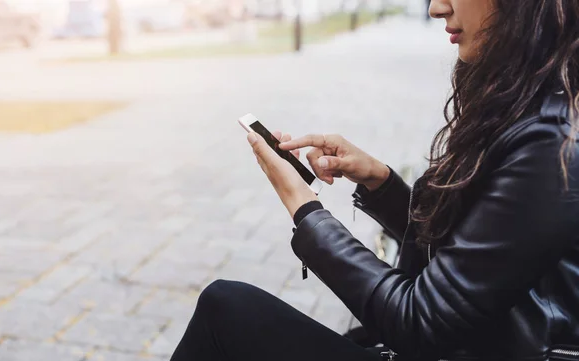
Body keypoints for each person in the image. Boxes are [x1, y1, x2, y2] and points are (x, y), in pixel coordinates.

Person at [171, 0, 579, 360]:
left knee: (225, 308)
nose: (437, 7)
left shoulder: (553, 141)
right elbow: (473, 259)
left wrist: (306, 211)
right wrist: (379, 182)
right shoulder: (535, 103)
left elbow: (420, 322)